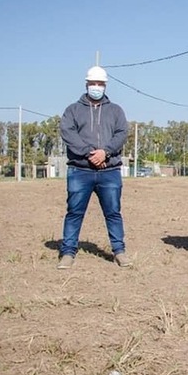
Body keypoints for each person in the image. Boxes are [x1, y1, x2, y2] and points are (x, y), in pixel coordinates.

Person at [57, 65, 131, 269]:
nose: (96, 86)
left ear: (105, 85)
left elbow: (121, 133)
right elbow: (68, 133)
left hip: (109, 172)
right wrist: (91, 152)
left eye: (100, 83)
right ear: (86, 84)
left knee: (113, 213)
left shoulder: (116, 111)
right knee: (74, 212)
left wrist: (105, 152)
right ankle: (68, 252)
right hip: (80, 171)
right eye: (93, 83)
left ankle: (119, 251)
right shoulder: (72, 110)